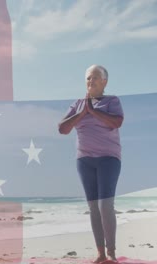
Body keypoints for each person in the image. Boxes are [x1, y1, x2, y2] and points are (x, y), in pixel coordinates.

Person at [58, 65, 124, 263]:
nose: (90, 81)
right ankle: (100, 254)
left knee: (105, 205)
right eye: (88, 78)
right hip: (84, 160)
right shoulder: (78, 104)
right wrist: (82, 112)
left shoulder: (112, 101)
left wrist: (93, 111)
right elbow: (62, 128)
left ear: (104, 82)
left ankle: (111, 252)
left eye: (95, 78)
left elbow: (117, 122)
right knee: (94, 207)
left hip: (109, 158)